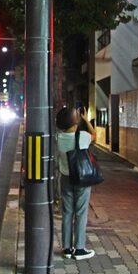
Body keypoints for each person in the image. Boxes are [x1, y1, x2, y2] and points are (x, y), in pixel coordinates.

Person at [56, 105, 97, 261]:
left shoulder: (58, 138)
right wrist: (86, 120)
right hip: (81, 178)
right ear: (75, 121)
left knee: (67, 213)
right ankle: (79, 249)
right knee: (80, 213)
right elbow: (95, 135)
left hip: (65, 178)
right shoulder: (83, 136)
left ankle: (67, 249)